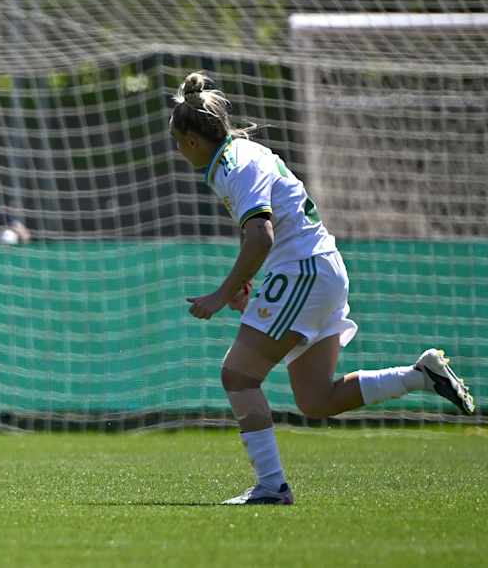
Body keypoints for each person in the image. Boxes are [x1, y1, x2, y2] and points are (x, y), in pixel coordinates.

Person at [171, 71, 475, 506]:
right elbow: (271, 229)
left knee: (237, 375)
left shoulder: (233, 165)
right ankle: (419, 375)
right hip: (315, 270)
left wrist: (223, 294)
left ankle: (272, 487)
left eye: (177, 143)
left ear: (190, 140)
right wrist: (248, 284)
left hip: (304, 272)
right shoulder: (241, 155)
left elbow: (262, 236)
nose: (179, 153)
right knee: (316, 399)